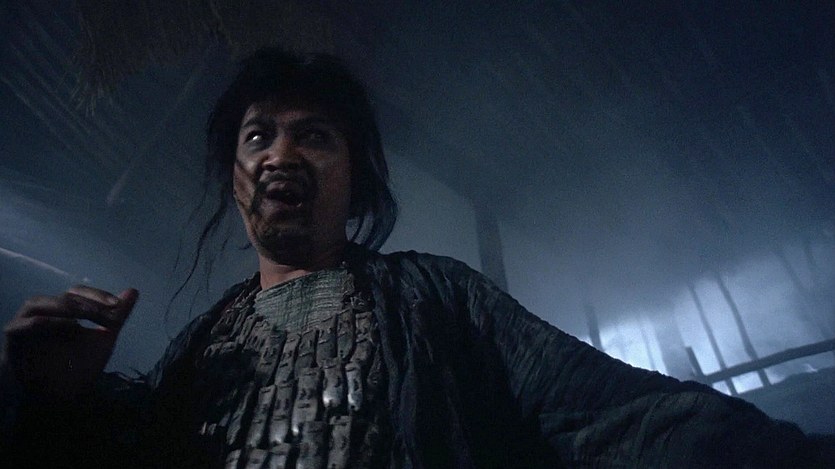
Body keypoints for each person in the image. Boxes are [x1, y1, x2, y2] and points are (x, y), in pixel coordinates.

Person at [1, 48, 833, 468]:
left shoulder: (434, 295)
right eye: (258, 136)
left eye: (313, 134)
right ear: (235, 177)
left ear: (355, 176)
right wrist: (55, 402)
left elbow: (613, 413)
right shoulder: (199, 349)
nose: (280, 153)